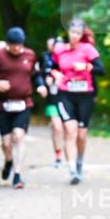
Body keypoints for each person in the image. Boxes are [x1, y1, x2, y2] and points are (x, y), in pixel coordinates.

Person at [0, 27, 47, 189]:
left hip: (23, 103)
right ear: (8, 44)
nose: (17, 48)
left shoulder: (30, 55)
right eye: (14, 45)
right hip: (3, 105)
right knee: (6, 143)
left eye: (20, 45)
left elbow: (36, 74)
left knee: (19, 136)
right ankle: (8, 160)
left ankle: (18, 174)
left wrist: (40, 85)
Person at [51, 18, 104, 185]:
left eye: (78, 33)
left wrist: (86, 67)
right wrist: (54, 74)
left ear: (82, 35)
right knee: (70, 130)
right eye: (73, 32)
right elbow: (51, 67)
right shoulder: (59, 49)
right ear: (68, 32)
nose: (75, 35)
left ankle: (79, 161)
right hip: (65, 94)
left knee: (81, 134)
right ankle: (72, 169)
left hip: (85, 96)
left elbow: (101, 70)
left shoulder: (88, 49)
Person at [41, 37, 65, 168]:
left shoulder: (69, 60)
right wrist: (45, 83)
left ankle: (70, 154)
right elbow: (39, 75)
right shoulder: (47, 60)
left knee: (68, 129)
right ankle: (58, 156)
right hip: (53, 100)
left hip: (68, 100)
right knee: (57, 127)